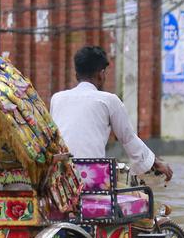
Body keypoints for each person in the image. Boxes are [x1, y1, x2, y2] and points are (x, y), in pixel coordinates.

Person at [51, 46, 173, 181]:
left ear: (76, 75)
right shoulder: (109, 100)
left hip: (60, 179)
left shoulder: (57, 98)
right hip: (92, 179)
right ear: (101, 74)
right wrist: (155, 162)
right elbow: (128, 139)